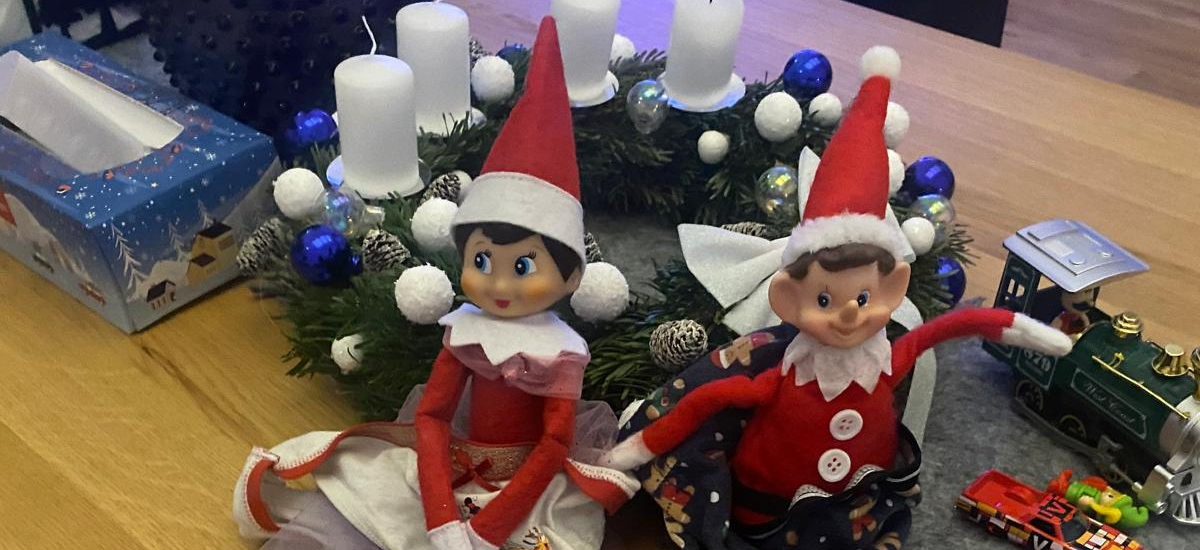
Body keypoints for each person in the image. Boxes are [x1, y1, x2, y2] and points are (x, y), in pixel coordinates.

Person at [600, 49, 1074, 550]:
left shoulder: (889, 361)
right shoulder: (778, 380)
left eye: (864, 296)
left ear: (892, 289)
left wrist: (1023, 329)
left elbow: (954, 326)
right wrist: (637, 449)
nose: (849, 312)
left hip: (858, 497)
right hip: (766, 506)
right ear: (789, 299)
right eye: (825, 300)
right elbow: (706, 399)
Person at [232, 17, 636, 550]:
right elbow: (432, 416)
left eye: (523, 267)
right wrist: (443, 514)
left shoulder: (560, 352)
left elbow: (553, 444)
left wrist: (488, 529)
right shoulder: (465, 329)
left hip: (526, 492)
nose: (498, 282)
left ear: (572, 277)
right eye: (482, 259)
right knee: (375, 510)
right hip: (445, 474)